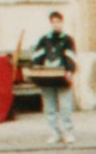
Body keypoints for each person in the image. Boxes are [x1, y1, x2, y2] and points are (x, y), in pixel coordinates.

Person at [26, 11, 80, 143]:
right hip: (48, 78)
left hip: (62, 78)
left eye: (58, 22)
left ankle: (68, 132)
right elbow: (37, 56)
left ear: (62, 23)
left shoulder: (67, 40)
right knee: (50, 107)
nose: (56, 24)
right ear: (51, 23)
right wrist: (36, 68)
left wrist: (70, 71)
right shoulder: (44, 39)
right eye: (53, 22)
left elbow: (71, 57)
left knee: (65, 106)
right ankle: (54, 132)